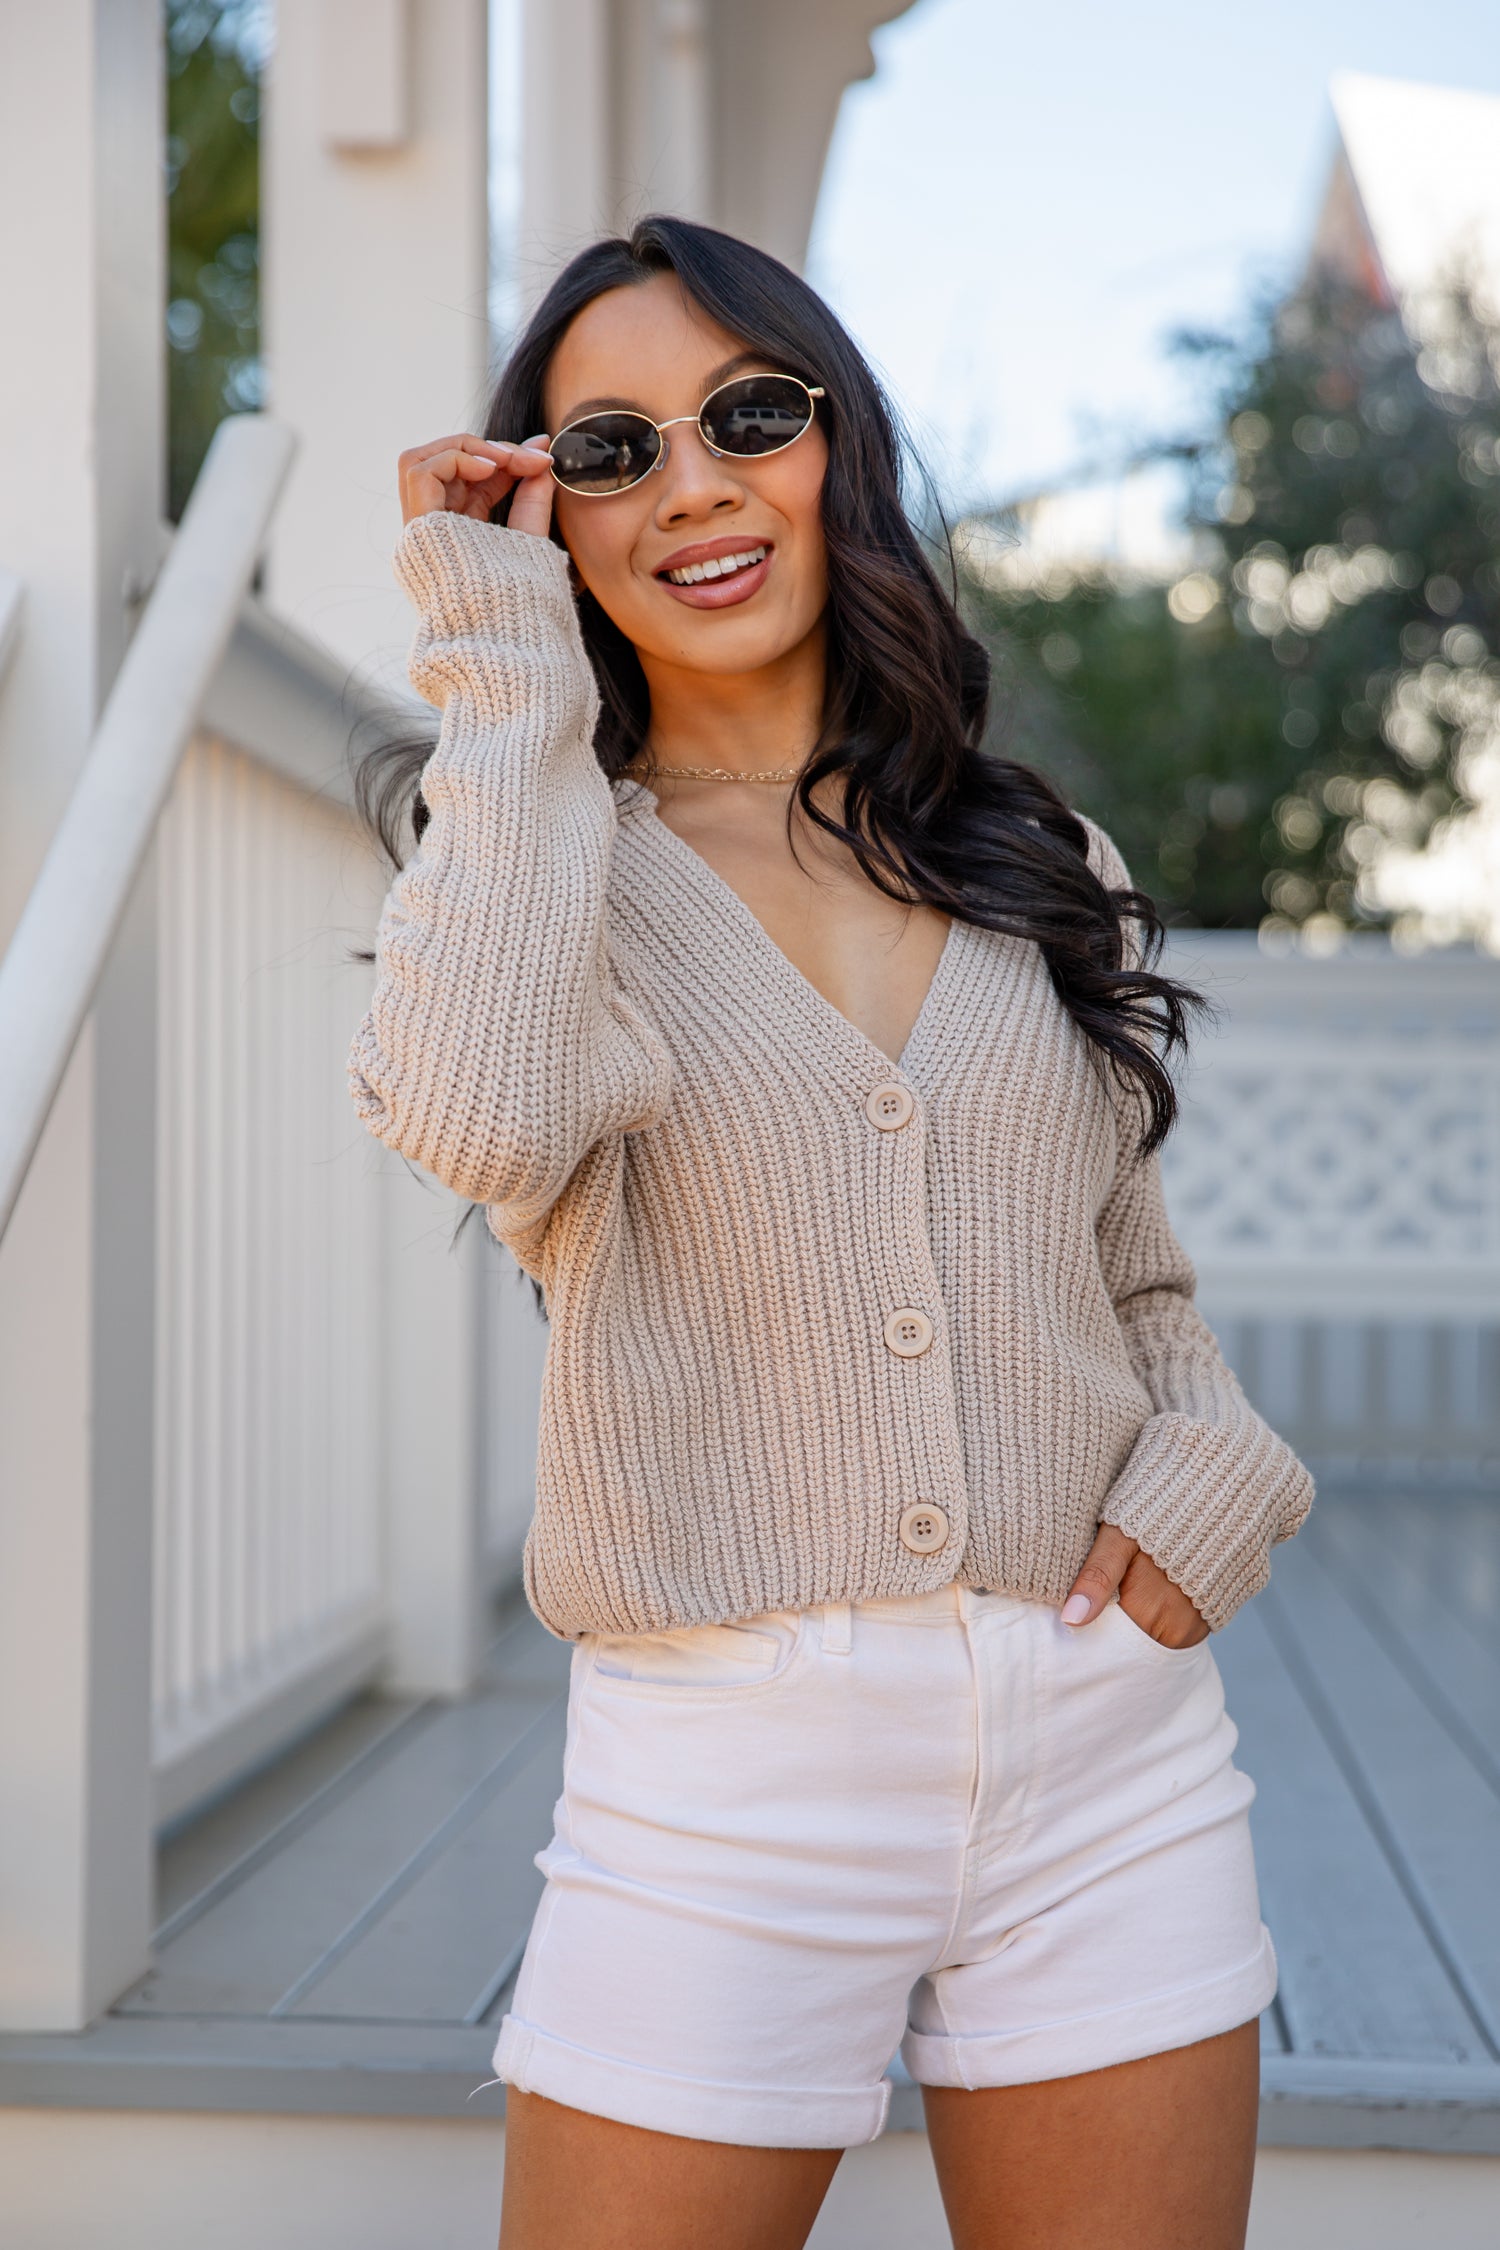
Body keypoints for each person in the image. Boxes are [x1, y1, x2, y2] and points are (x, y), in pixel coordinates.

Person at [347, 215, 1313, 2250]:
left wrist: (1221, 1453)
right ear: (551, 515)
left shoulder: (1027, 852)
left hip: (1112, 1756)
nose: (691, 484)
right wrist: (501, 659)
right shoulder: (537, 867)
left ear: (834, 449)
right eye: (611, 450)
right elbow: (478, 1117)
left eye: (748, 417)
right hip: (728, 1776)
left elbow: (1133, 1279)